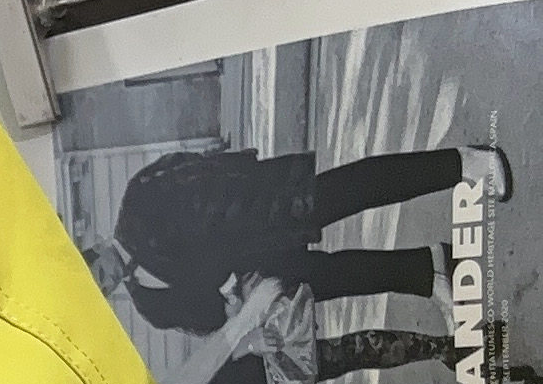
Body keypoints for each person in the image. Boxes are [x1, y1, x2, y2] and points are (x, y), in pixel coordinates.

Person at [111, 137, 511, 337]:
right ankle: (428, 272)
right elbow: (209, 320)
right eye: (101, 288)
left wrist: (225, 261)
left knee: (360, 188)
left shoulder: (137, 203)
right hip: (254, 269)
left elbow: (203, 177)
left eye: (94, 271)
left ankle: (463, 163)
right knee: (339, 278)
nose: (105, 280)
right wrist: (231, 300)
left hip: (262, 208)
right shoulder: (147, 300)